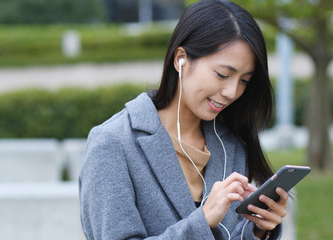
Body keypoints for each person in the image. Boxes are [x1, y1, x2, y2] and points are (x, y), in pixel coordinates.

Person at [79, 0, 288, 239]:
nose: (232, 91)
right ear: (181, 59)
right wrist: (201, 222)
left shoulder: (231, 145)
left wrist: (259, 230)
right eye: (223, 74)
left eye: (244, 81)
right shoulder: (113, 143)